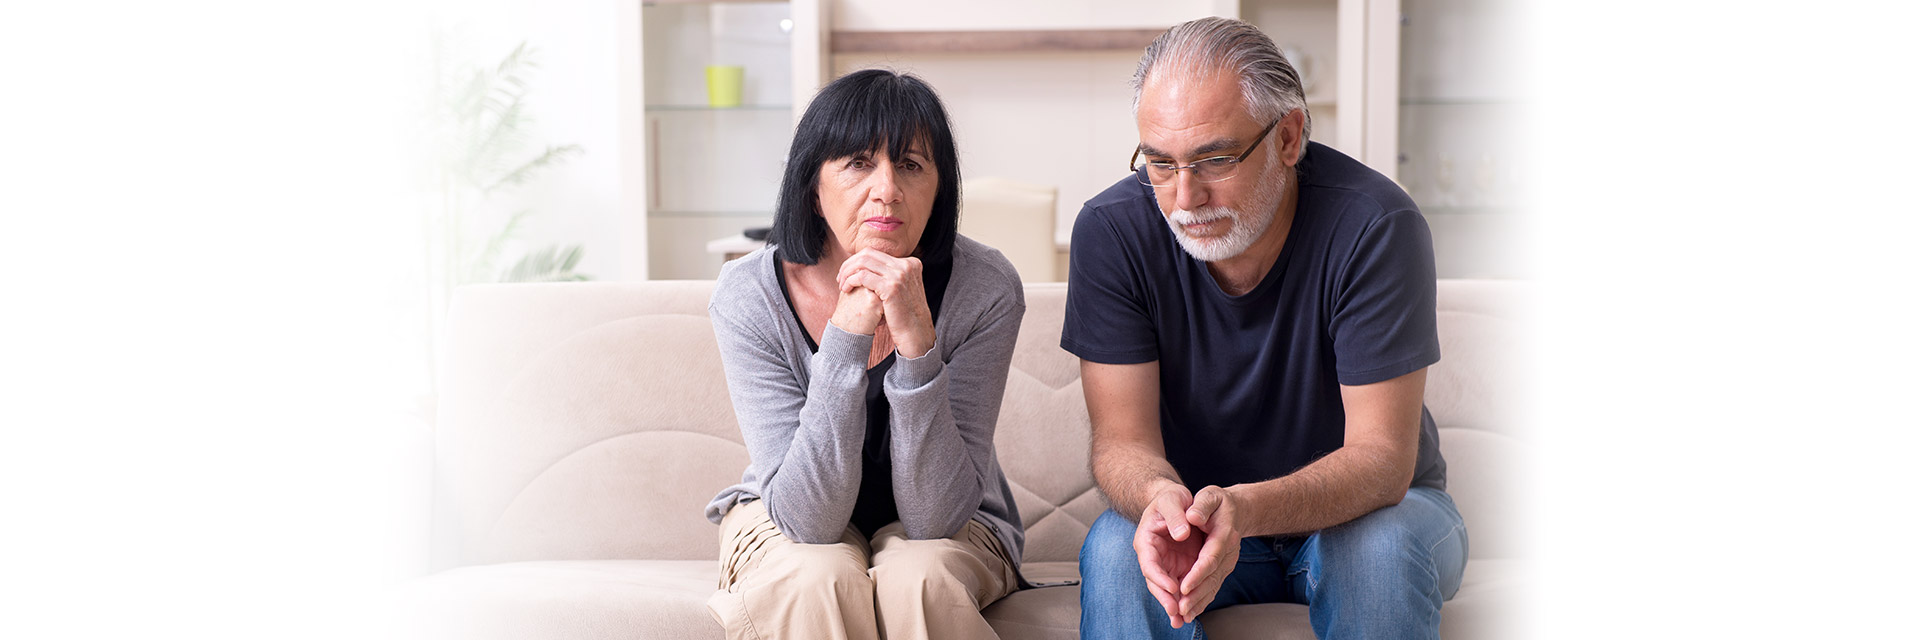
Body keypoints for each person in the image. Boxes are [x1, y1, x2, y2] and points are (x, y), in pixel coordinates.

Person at [1064, 17, 1468, 640]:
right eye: (1161, 163)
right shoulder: (1113, 231)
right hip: (1203, 518)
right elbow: (1121, 441)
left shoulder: (1375, 225)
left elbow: (1383, 462)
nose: (1184, 198)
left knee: (1375, 553)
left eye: (1214, 159)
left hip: (1376, 513)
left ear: (1288, 137)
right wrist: (1161, 501)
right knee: (1118, 550)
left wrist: (1242, 509)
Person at [702, 69, 1026, 640]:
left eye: (910, 164)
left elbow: (936, 520)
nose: (888, 190)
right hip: (784, 513)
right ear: (813, 185)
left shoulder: (986, 287)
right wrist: (846, 336)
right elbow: (807, 521)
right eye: (857, 163)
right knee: (816, 576)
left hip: (957, 520)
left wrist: (919, 343)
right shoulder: (748, 293)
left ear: (940, 189)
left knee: (920, 576)